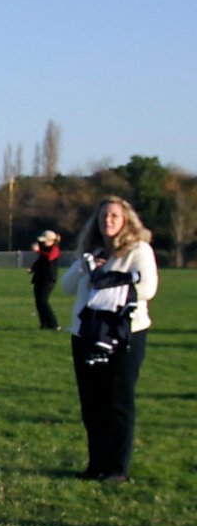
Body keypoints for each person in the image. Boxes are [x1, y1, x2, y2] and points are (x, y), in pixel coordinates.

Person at [61, 196, 158, 482]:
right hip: (86, 333)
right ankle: (96, 464)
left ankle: (117, 468)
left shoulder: (138, 250)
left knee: (118, 401)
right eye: (103, 216)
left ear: (126, 220)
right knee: (91, 403)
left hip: (124, 334)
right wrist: (86, 265)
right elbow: (66, 287)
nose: (108, 220)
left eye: (115, 215)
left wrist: (107, 276)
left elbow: (147, 288)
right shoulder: (91, 251)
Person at [30, 229, 63, 329]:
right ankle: (44, 324)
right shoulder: (44, 250)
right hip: (39, 277)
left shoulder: (55, 249)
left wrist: (38, 251)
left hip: (48, 278)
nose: (42, 243)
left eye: (44, 241)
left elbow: (50, 257)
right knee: (38, 302)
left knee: (43, 301)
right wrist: (32, 268)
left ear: (51, 241)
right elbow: (40, 261)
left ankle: (54, 324)